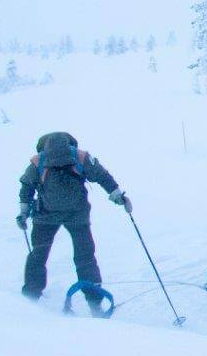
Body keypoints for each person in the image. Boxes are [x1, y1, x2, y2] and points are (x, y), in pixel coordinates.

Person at [17, 132, 131, 316]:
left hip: (45, 217)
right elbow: (102, 176)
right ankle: (95, 304)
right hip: (77, 215)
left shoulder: (38, 161)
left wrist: (23, 213)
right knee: (85, 257)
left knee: (38, 256)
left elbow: (26, 187)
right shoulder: (80, 157)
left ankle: (29, 299)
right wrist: (118, 196)